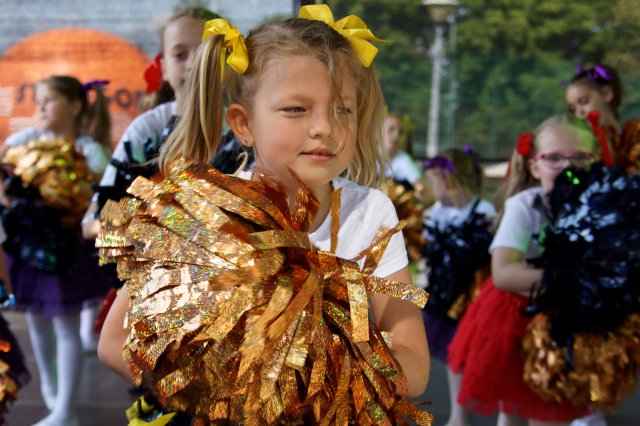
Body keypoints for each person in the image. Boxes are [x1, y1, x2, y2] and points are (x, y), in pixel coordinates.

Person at [98, 5, 430, 423]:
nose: (324, 127)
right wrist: (202, 398)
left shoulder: (372, 213)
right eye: (296, 109)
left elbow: (415, 362)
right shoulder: (204, 214)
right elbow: (114, 341)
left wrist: (337, 387)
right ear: (243, 124)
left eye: (342, 108)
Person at [448, 115, 599, 426]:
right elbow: (503, 273)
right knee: (518, 407)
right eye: (554, 158)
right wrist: (569, 281)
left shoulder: (599, 208)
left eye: (580, 157)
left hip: (569, 321)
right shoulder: (525, 207)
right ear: (534, 166)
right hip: (517, 317)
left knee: (553, 409)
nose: (568, 168)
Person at [1, 75, 111, 426]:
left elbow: (95, 196)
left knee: (65, 327)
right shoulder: (23, 141)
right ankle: (51, 393)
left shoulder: (88, 149)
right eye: (39, 101)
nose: (41, 108)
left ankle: (65, 409)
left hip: (66, 254)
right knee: (35, 321)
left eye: (49, 100)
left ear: (75, 106)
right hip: (27, 253)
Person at [421, 147, 495, 426]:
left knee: (469, 357)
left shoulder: (482, 210)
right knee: (454, 355)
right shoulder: (436, 213)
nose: (431, 188)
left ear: (446, 180)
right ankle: (459, 415)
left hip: (472, 301)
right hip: (443, 299)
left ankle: (467, 413)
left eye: (432, 182)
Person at [383, 113, 422, 188]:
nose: (396, 136)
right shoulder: (368, 159)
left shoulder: (404, 160)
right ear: (376, 134)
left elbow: (421, 189)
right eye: (390, 129)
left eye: (401, 132)